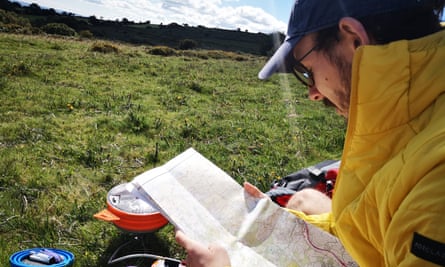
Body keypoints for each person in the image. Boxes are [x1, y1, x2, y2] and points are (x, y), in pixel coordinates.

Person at [175, 0, 445, 266]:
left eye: (306, 70)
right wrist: (277, 224)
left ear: (356, 41)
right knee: (300, 201)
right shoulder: (405, 119)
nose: (313, 93)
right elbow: (364, 224)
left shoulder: (435, 179)